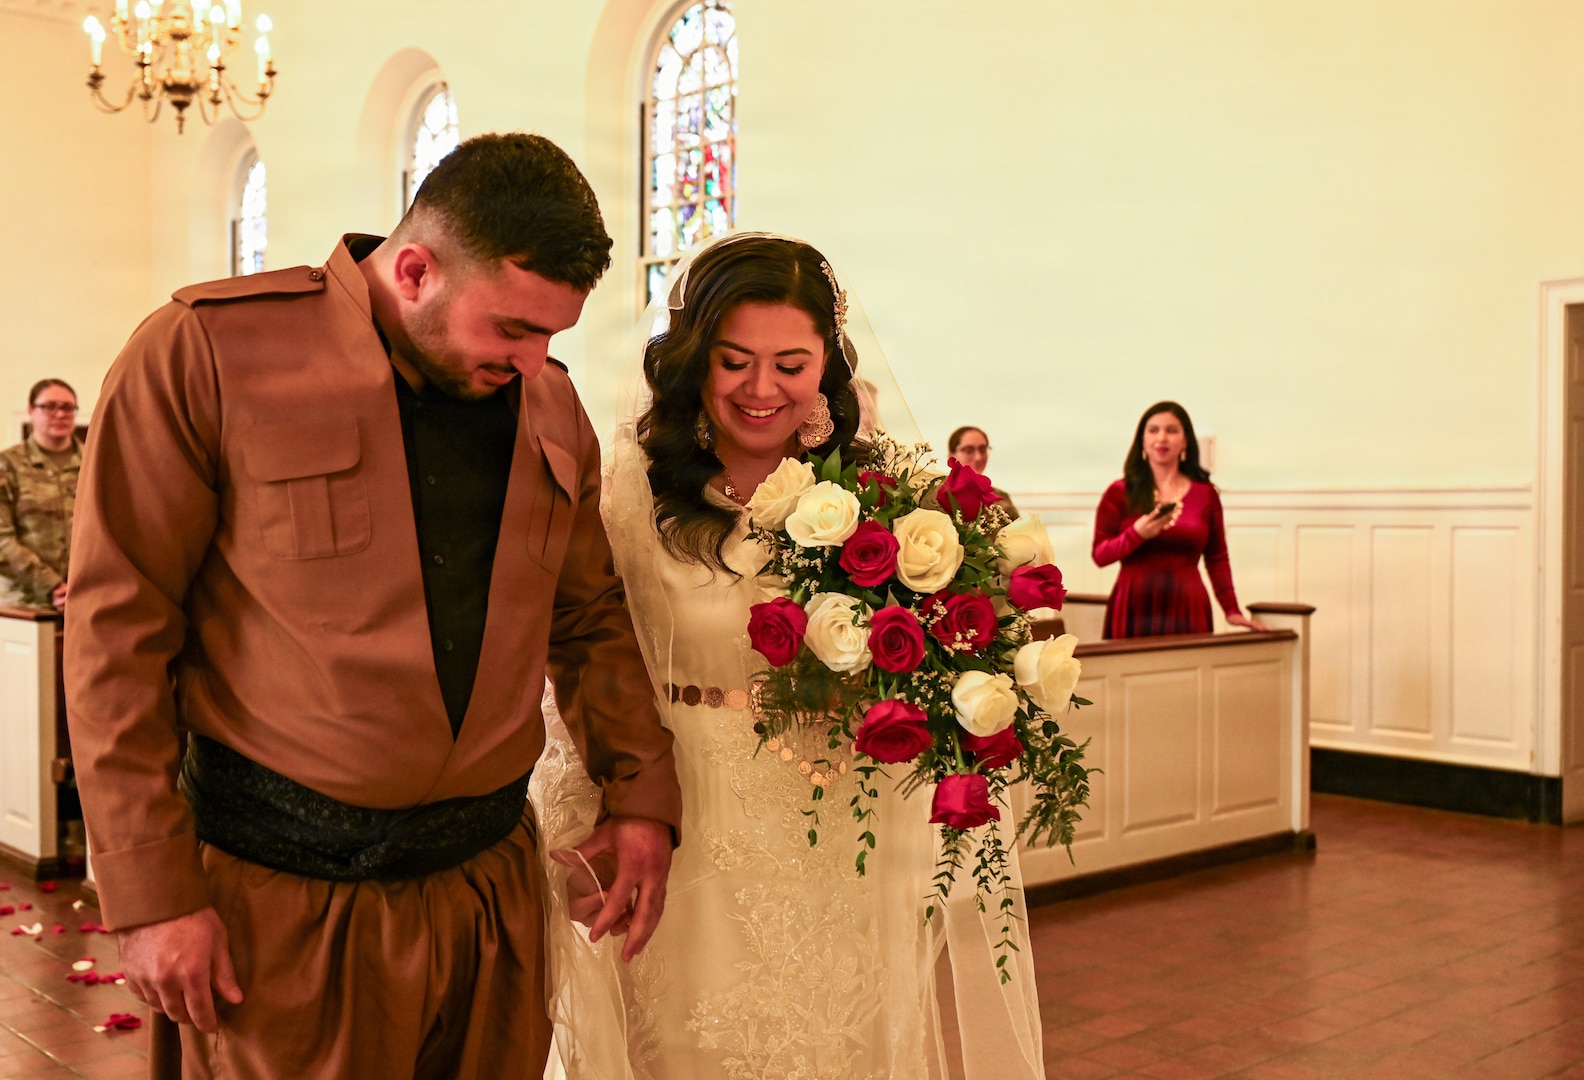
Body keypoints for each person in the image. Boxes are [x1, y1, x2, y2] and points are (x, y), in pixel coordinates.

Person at [64, 133, 681, 1080]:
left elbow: (588, 617)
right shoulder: (209, 353)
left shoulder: (550, 407)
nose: (531, 360)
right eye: (512, 328)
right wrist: (151, 895)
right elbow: (118, 631)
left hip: (487, 902)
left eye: (551, 336)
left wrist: (641, 795)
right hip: (280, 909)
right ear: (414, 268)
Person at [531, 234, 1045, 1080]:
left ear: (826, 369)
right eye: (735, 361)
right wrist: (586, 820)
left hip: (835, 828)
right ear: (697, 359)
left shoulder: (881, 496)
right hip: (678, 820)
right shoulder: (631, 493)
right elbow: (589, 665)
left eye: (791, 363)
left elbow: (924, 669)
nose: (761, 389)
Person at [1092, 400, 1267, 637]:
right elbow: (1100, 555)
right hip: (1133, 605)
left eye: (1171, 430)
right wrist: (1136, 534)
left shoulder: (1206, 494)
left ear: (1185, 441)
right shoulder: (1119, 491)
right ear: (1142, 440)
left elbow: (1217, 558)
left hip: (1188, 606)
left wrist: (1231, 609)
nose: (1162, 438)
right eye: (1153, 430)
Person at [0, 379, 82, 611]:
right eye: (49, 406)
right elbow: (2, 539)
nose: (59, 414)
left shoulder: (94, 463)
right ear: (30, 411)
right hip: (26, 604)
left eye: (67, 407)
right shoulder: (7, 465)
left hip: (86, 599)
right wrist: (52, 585)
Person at [947, 424, 1019, 519]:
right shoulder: (939, 495)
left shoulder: (1002, 497)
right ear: (951, 455)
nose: (978, 457)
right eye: (969, 450)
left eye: (983, 449)